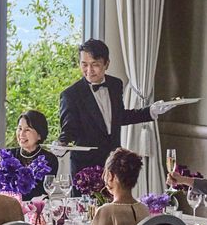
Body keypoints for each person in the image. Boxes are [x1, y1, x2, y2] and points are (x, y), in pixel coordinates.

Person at [58, 39, 173, 178]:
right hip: (85, 168)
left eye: (95, 65)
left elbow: (119, 117)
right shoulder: (70, 95)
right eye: (84, 64)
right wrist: (61, 143)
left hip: (114, 163)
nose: (89, 70)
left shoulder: (115, 84)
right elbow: (69, 129)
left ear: (106, 64)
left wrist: (150, 111)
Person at [6, 110, 58, 201]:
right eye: (20, 128)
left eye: (27, 130)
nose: (21, 134)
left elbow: (42, 191)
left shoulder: (49, 159)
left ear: (39, 135)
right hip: (10, 205)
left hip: (36, 207)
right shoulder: (8, 155)